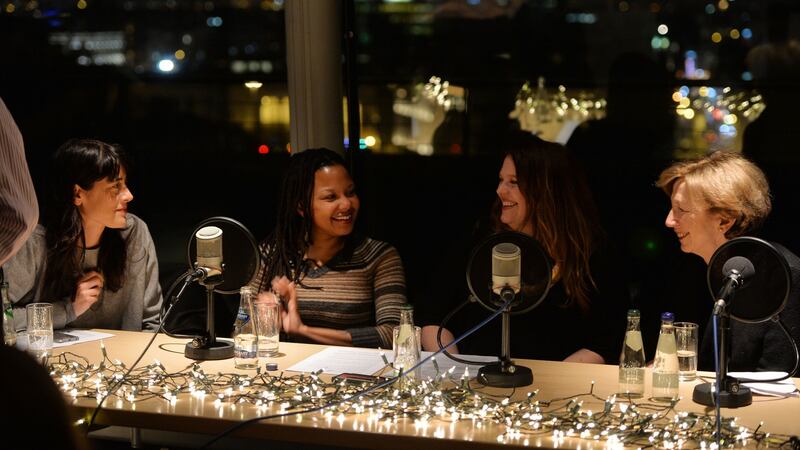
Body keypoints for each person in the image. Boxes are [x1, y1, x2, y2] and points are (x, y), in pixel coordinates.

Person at [419, 132, 629, 364]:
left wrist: (550, 385)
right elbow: (433, 318)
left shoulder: (592, 255)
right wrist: (454, 371)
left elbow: (604, 341)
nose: (500, 190)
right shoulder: (480, 241)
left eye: (514, 182)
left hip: (557, 391)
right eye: (501, 180)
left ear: (547, 190)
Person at [250, 148, 408, 348]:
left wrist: (304, 330)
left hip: (354, 373)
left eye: (350, 193)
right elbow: (243, 331)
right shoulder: (272, 254)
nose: (346, 205)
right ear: (301, 207)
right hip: (284, 373)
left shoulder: (378, 256)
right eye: (331, 197)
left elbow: (397, 334)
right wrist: (262, 317)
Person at [657, 151, 800, 372]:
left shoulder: (785, 277)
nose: (669, 221)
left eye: (681, 210)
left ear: (724, 220)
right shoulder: (702, 268)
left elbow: (780, 383)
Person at [4, 138, 162, 331]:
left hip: (125, 359)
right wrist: (68, 309)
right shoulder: (36, 242)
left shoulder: (135, 233)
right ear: (78, 194)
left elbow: (153, 322)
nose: (129, 195)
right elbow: (5, 318)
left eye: (125, 185)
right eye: (115, 187)